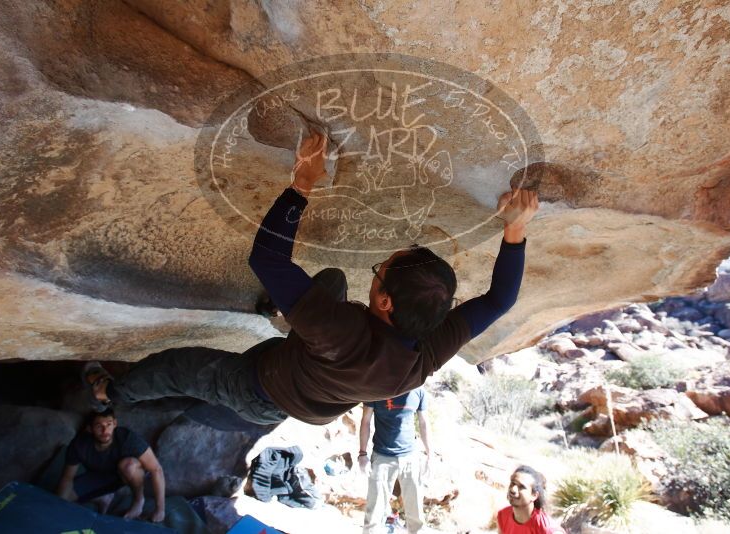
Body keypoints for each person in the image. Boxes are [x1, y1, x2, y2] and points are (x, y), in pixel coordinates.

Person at [85, 132, 539, 427]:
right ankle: (281, 312)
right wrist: (514, 229)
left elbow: (267, 258)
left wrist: (301, 183)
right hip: (307, 381)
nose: (377, 270)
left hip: (258, 388)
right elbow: (499, 301)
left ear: (384, 302)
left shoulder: (339, 330)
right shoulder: (425, 353)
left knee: (180, 369)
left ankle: (112, 393)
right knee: (334, 279)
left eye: (380, 272)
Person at [56, 408, 166, 523]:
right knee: (62, 498)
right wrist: (56, 503)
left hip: (125, 475)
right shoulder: (79, 444)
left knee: (128, 465)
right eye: (99, 426)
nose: (105, 430)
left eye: (109, 424)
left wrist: (160, 509)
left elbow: (156, 469)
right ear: (90, 428)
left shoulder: (127, 438)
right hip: (99, 476)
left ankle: (139, 500)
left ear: (115, 424)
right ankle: (103, 497)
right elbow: (67, 478)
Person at [359, 387, 431, 534]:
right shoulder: (376, 388)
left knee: (416, 516)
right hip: (382, 457)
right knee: (373, 516)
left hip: (410, 457)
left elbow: (424, 423)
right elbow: (365, 421)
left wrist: (431, 454)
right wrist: (362, 454)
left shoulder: (418, 390)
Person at [497, 465, 565, 534]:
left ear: (534, 495)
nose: (513, 489)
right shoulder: (503, 515)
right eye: (512, 483)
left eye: (521, 487)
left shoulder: (548, 529)